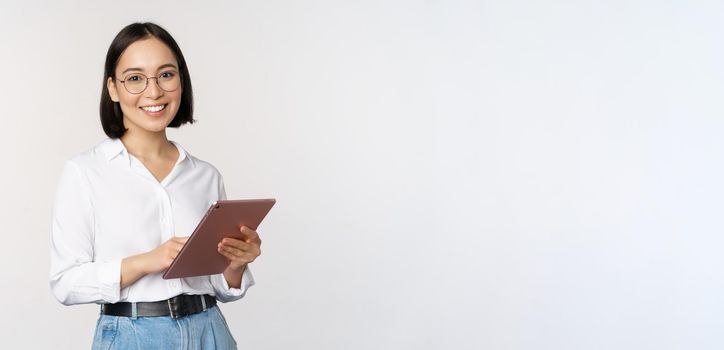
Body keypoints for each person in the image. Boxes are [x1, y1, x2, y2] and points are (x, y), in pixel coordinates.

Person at [49, 22, 261, 350]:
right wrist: (147, 261)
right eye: (135, 78)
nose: (154, 92)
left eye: (166, 74)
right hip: (131, 336)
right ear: (113, 89)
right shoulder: (85, 172)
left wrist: (236, 263)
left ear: (181, 80)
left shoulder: (205, 175)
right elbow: (65, 284)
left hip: (210, 330)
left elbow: (218, 286)